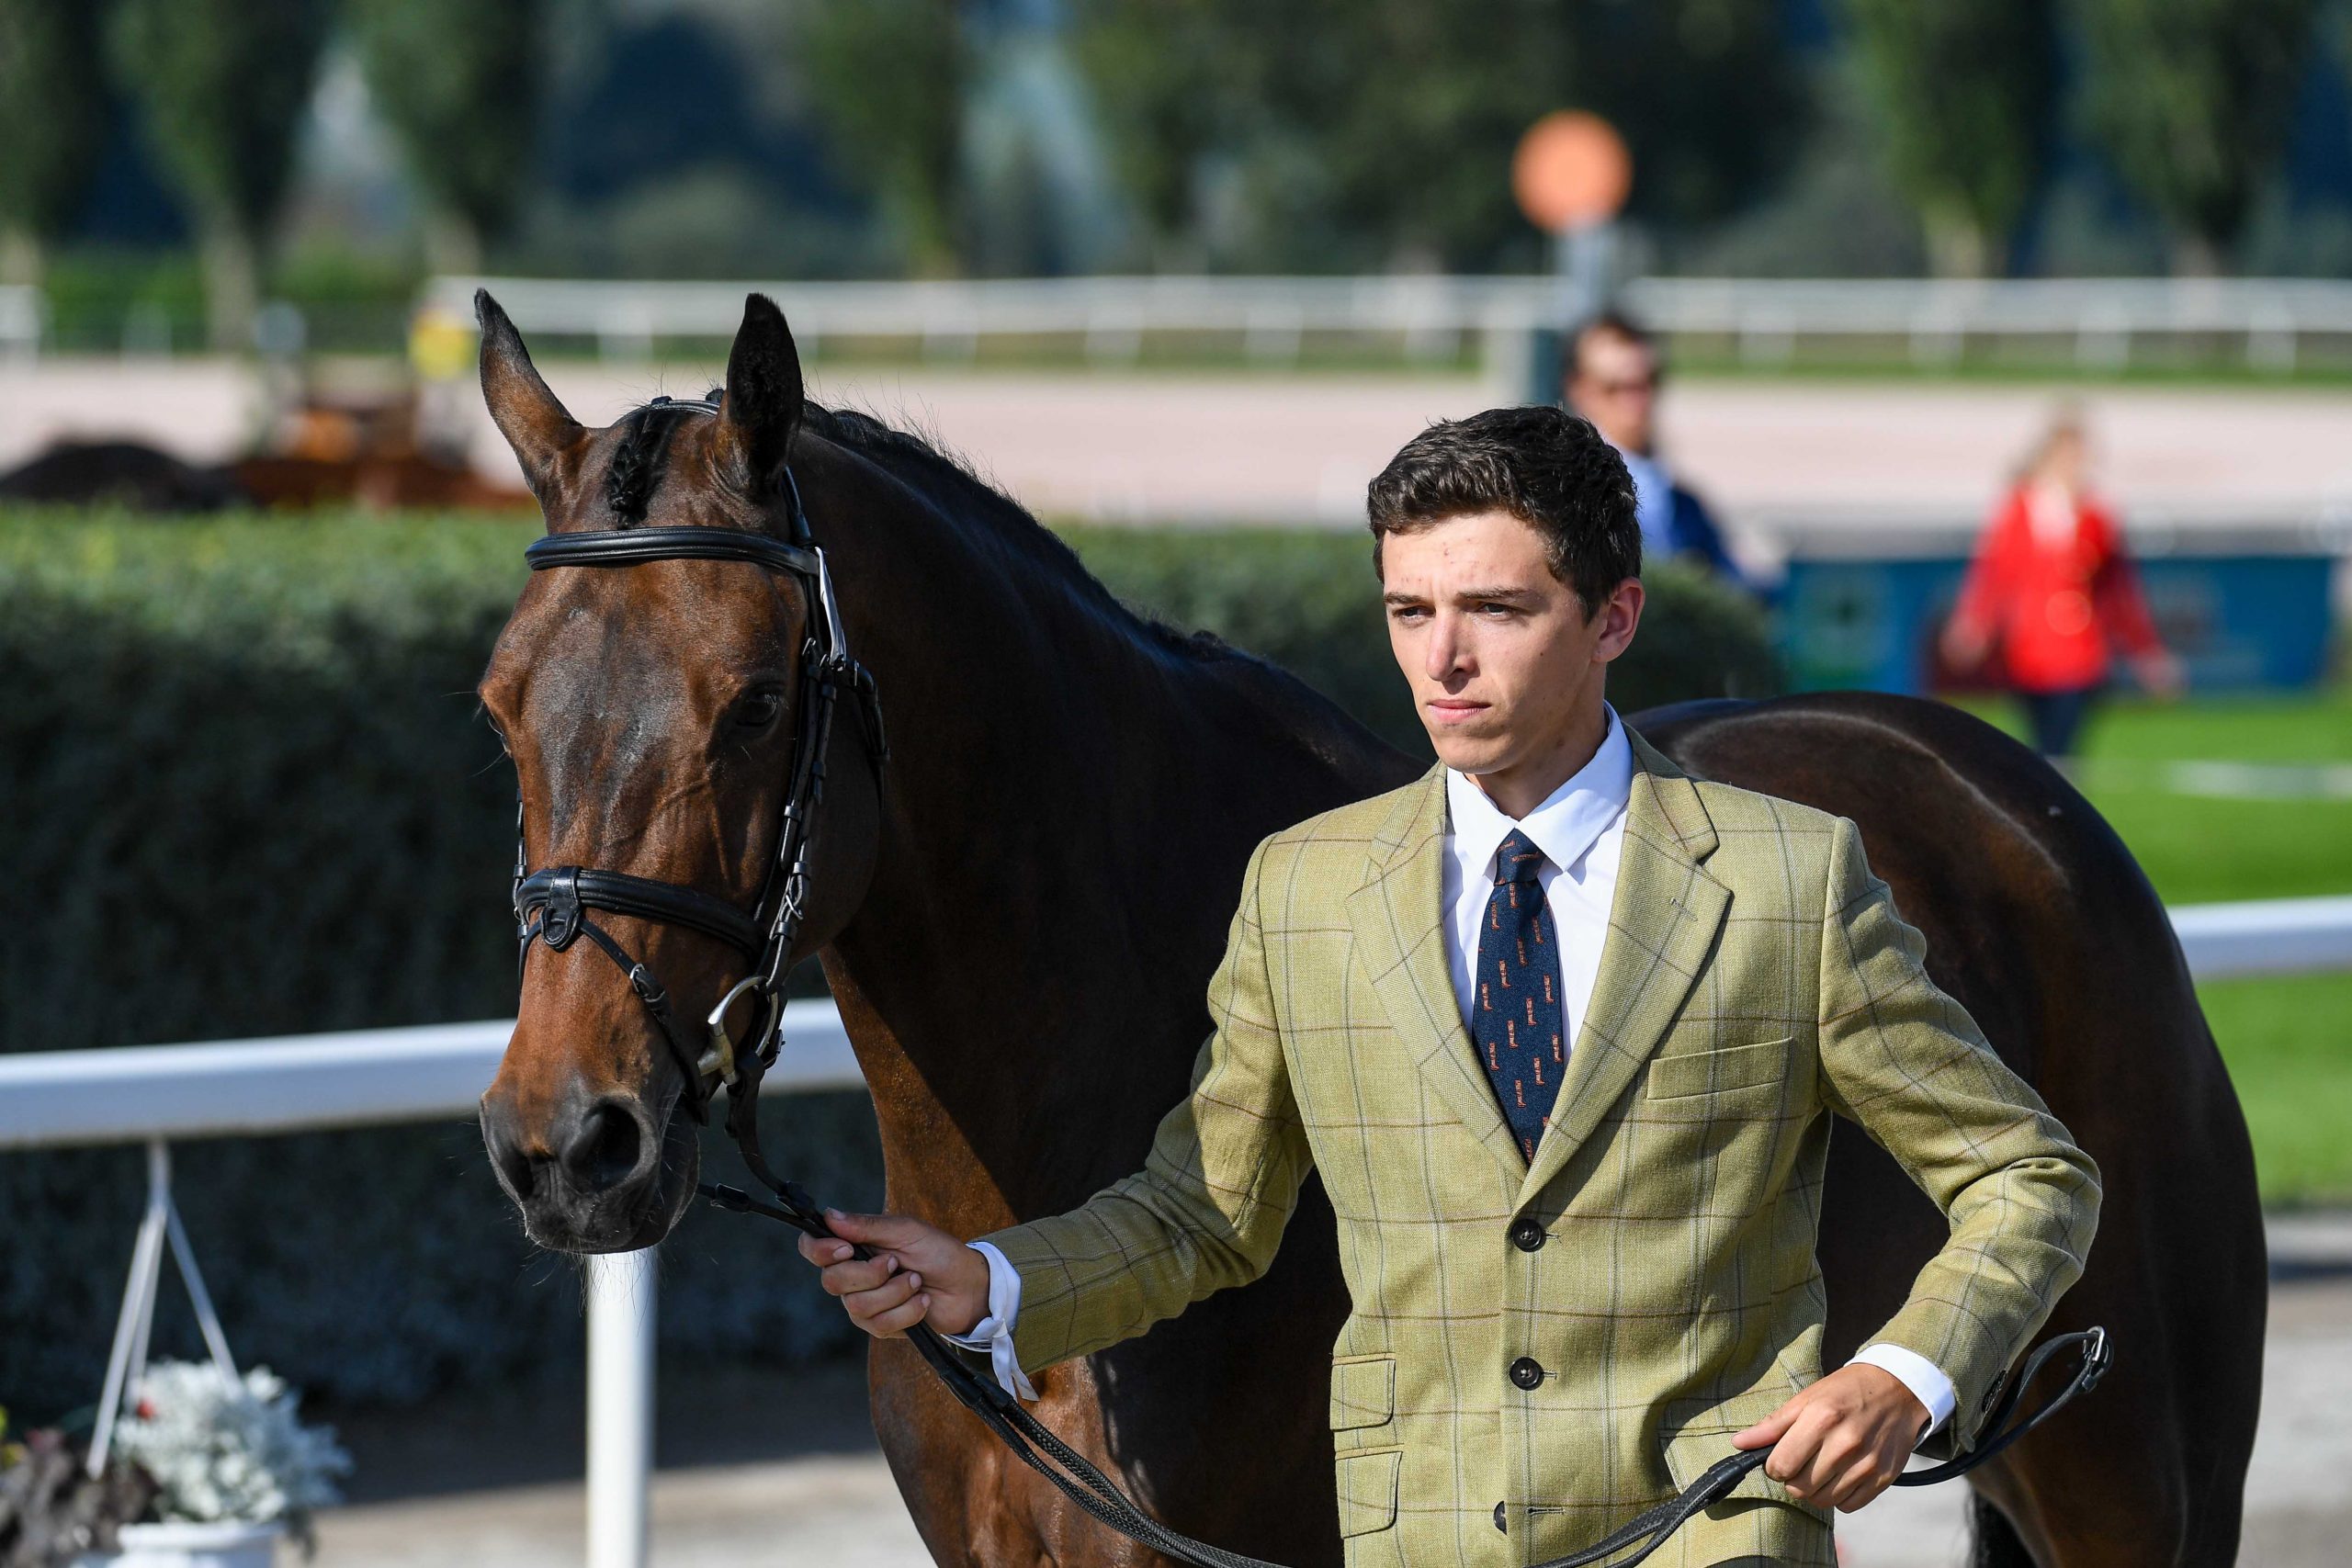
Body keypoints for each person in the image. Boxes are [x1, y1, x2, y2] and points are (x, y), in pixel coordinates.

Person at [798, 407, 2100, 1567]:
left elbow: (2027, 1174)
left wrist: (1905, 1371)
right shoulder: (1305, 889)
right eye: (1410, 612)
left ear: (1614, 618)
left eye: (1496, 608)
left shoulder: (1789, 879)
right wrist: (998, 1279)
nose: (1444, 661)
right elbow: (1206, 1210)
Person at [1940, 410, 2183, 760]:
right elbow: (1994, 573)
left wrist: (2147, 652)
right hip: (2026, 652)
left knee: (2061, 752)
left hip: (2080, 654)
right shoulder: (2019, 510)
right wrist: (1974, 623)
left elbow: (2120, 594)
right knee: (2035, 752)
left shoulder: (2096, 518)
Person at [1563, 310, 1744, 584]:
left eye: (1648, 382)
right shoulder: (1563, 500)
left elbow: (1737, 590)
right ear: (1579, 390)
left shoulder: (1684, 504)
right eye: (1617, 387)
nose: (1638, 401)